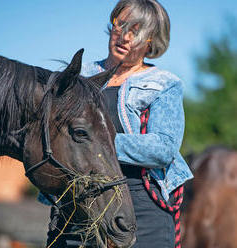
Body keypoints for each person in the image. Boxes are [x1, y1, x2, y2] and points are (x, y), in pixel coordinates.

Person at [43, 0, 193, 247]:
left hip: (141, 205)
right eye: (120, 25)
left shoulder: (164, 84)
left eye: (136, 31)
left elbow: (164, 148)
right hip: (76, 208)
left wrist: (95, 144)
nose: (125, 36)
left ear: (151, 42)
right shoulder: (78, 76)